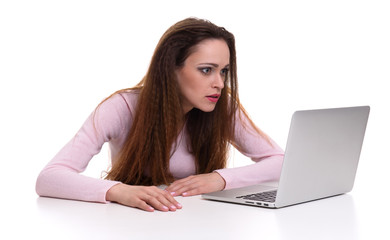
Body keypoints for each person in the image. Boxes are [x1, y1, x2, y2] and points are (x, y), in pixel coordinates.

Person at [36, 17, 284, 212]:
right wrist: (118, 191)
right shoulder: (121, 107)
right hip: (134, 222)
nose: (219, 83)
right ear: (171, 69)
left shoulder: (222, 106)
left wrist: (220, 179)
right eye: (206, 70)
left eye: (224, 71)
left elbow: (280, 161)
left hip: (202, 220)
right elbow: (49, 177)